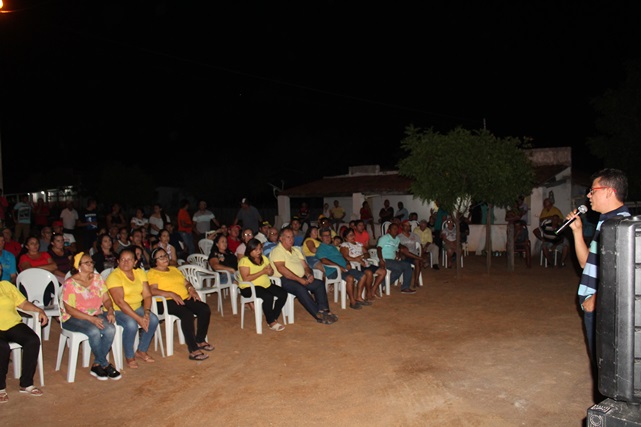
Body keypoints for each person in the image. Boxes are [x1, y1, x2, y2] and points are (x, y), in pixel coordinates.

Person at [567, 168, 630, 403]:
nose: (589, 196)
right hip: (593, 305)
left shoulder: (621, 226)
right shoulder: (606, 223)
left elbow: (621, 274)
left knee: (608, 369)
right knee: (600, 365)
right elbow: (586, 264)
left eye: (593, 191)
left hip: (603, 308)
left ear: (610, 192)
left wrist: (597, 299)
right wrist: (577, 232)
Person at [60, 252, 121, 380]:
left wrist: (110, 309)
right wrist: (91, 319)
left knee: (110, 329)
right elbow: (69, 309)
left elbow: (106, 299)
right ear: (78, 266)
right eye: (86, 263)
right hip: (73, 317)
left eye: (91, 262)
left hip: (95, 313)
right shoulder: (70, 283)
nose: (90, 265)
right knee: (93, 331)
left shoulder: (97, 279)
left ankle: (97, 364)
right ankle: (104, 364)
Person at [147, 247, 213, 361]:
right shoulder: (153, 272)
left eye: (166, 255)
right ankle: (193, 350)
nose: (165, 258)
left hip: (183, 298)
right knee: (187, 314)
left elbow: (186, 282)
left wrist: (190, 288)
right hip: (165, 301)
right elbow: (152, 290)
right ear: (155, 261)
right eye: (161, 257)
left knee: (204, 309)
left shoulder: (174, 269)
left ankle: (200, 340)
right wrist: (170, 294)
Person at [269, 227, 338, 325]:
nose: (291, 239)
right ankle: (318, 315)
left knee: (318, 283)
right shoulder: (277, 251)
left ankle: (324, 311)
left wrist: (309, 274)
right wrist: (300, 280)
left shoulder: (296, 250)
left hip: (299, 277)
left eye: (292, 237)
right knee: (300, 288)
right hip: (285, 280)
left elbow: (305, 266)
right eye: (288, 237)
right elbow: (282, 269)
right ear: (281, 238)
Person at [106, 246, 159, 369]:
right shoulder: (114, 276)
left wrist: (146, 312)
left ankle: (141, 350)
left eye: (129, 259)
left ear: (135, 261)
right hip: (117, 310)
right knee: (131, 324)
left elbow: (147, 295)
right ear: (118, 261)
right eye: (122, 259)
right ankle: (129, 356)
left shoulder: (140, 272)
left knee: (153, 319)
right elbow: (120, 302)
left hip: (136, 306)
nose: (126, 262)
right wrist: (139, 319)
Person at [0, 270, 48, 401]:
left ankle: (26, 383)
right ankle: (0, 387)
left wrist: (39, 310)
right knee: (2, 347)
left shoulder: (6, 286)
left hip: (12, 324)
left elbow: (23, 303)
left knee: (32, 340)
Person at [238, 238, 288, 332]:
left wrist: (270, 271)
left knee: (283, 293)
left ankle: (273, 316)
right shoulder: (244, 261)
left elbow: (270, 272)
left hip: (265, 285)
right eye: (256, 249)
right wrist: (263, 271)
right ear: (249, 250)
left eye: (260, 249)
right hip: (249, 287)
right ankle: (271, 322)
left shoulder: (264, 258)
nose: (259, 251)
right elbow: (246, 278)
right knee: (268, 296)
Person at [317, 227, 370, 310]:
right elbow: (324, 260)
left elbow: (342, 256)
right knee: (350, 278)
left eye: (329, 235)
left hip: (344, 268)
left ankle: (359, 297)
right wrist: (339, 266)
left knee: (363, 276)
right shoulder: (321, 248)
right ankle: (352, 302)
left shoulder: (333, 246)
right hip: (333, 271)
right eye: (325, 236)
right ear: (321, 237)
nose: (328, 237)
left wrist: (347, 263)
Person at [339, 227, 385, 303]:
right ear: (345, 238)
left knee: (383, 271)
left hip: (364, 262)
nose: (353, 237)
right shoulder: (345, 245)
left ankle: (373, 289)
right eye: (350, 235)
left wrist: (362, 257)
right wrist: (357, 259)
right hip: (355, 265)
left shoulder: (358, 244)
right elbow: (345, 256)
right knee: (369, 273)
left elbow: (367, 253)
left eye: (353, 235)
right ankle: (369, 293)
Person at [376, 222, 415, 294]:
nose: (395, 230)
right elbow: (379, 249)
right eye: (393, 229)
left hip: (392, 260)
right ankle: (405, 287)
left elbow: (397, 249)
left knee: (398, 271)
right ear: (389, 230)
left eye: (397, 229)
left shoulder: (397, 239)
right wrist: (381, 260)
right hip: (385, 260)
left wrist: (398, 255)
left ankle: (381, 284)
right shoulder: (384, 238)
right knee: (406, 266)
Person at [398, 220, 426, 288]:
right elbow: (398, 247)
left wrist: (421, 255)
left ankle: (416, 282)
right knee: (406, 252)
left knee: (417, 261)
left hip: (414, 255)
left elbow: (420, 246)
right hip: (404, 256)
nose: (408, 227)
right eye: (406, 226)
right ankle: (421, 259)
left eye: (409, 226)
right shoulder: (399, 236)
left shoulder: (414, 235)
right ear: (402, 226)